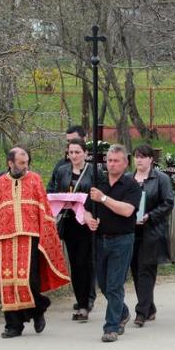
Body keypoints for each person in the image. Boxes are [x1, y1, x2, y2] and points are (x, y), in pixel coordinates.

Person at [0, 147, 70, 338]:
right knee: (8, 283)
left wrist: (46, 237)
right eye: (21, 163)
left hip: (30, 237)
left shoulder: (35, 179)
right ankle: (13, 325)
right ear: (10, 163)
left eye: (27, 162)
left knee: (29, 280)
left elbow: (44, 210)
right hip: (5, 239)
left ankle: (38, 308)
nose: (25, 166)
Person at [84, 144, 142, 343]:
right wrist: (89, 218)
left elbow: (127, 210)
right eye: (109, 160)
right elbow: (87, 208)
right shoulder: (98, 182)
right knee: (104, 284)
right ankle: (123, 312)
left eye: (116, 160)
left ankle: (111, 327)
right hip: (100, 239)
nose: (112, 164)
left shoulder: (131, 185)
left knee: (115, 284)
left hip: (122, 240)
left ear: (126, 163)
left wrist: (104, 198)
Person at [46, 138, 99, 322]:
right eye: (71, 152)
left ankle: (85, 305)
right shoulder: (62, 171)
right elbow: (53, 191)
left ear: (85, 153)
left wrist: (89, 211)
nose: (74, 156)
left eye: (77, 152)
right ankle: (80, 302)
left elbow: (98, 196)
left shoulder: (94, 172)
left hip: (85, 222)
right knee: (75, 265)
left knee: (84, 263)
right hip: (69, 222)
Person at [126, 144, 174, 327]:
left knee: (146, 270)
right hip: (131, 230)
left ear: (151, 159)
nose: (139, 160)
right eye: (136, 156)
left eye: (143, 156)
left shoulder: (160, 178)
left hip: (152, 231)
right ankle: (150, 307)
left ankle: (141, 312)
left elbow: (168, 202)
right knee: (136, 270)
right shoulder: (128, 178)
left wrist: (150, 216)